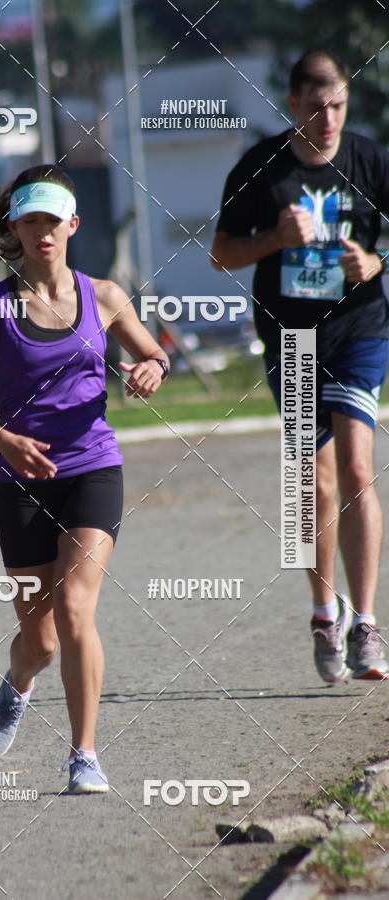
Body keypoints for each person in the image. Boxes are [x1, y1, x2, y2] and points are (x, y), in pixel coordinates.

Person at [0, 164, 170, 793]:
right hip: (20, 482)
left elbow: (153, 353)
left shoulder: (106, 296)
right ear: (16, 225)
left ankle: (84, 754)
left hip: (93, 468)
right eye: (30, 220)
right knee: (37, 637)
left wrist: (152, 367)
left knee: (74, 606)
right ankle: (18, 683)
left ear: (73, 223)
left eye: (52, 220)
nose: (42, 233)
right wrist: (2, 438)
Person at [212, 51, 389, 682]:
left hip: (359, 330)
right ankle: (323, 613)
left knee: (358, 466)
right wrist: (274, 241)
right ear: (293, 106)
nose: (329, 119)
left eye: (338, 105)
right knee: (313, 484)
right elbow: (220, 254)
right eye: (316, 108)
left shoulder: (370, 160)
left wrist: (375, 262)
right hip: (292, 341)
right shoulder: (260, 168)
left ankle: (366, 622)